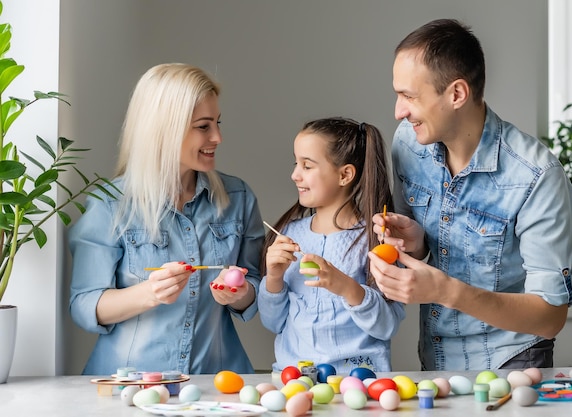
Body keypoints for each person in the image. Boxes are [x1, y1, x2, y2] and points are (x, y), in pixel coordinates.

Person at [368, 19, 572, 371]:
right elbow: (427, 257)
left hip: (513, 363)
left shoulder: (536, 176)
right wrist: (416, 245)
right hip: (436, 362)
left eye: (409, 96)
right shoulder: (408, 143)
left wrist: (445, 291)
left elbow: (550, 317)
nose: (398, 111)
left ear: (456, 94)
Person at [69, 63, 264, 375]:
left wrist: (240, 294)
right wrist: (149, 293)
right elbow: (84, 306)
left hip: (216, 383)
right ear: (165, 129)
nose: (218, 136)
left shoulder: (238, 197)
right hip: (128, 387)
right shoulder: (109, 202)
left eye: (217, 123)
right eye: (204, 126)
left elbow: (254, 290)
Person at [258, 117, 406, 374]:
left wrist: (345, 286)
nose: (294, 175)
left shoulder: (377, 240)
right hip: (293, 382)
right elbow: (273, 323)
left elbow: (387, 326)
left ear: (345, 174)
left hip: (358, 384)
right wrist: (274, 277)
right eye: (296, 163)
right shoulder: (289, 234)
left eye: (307, 166)